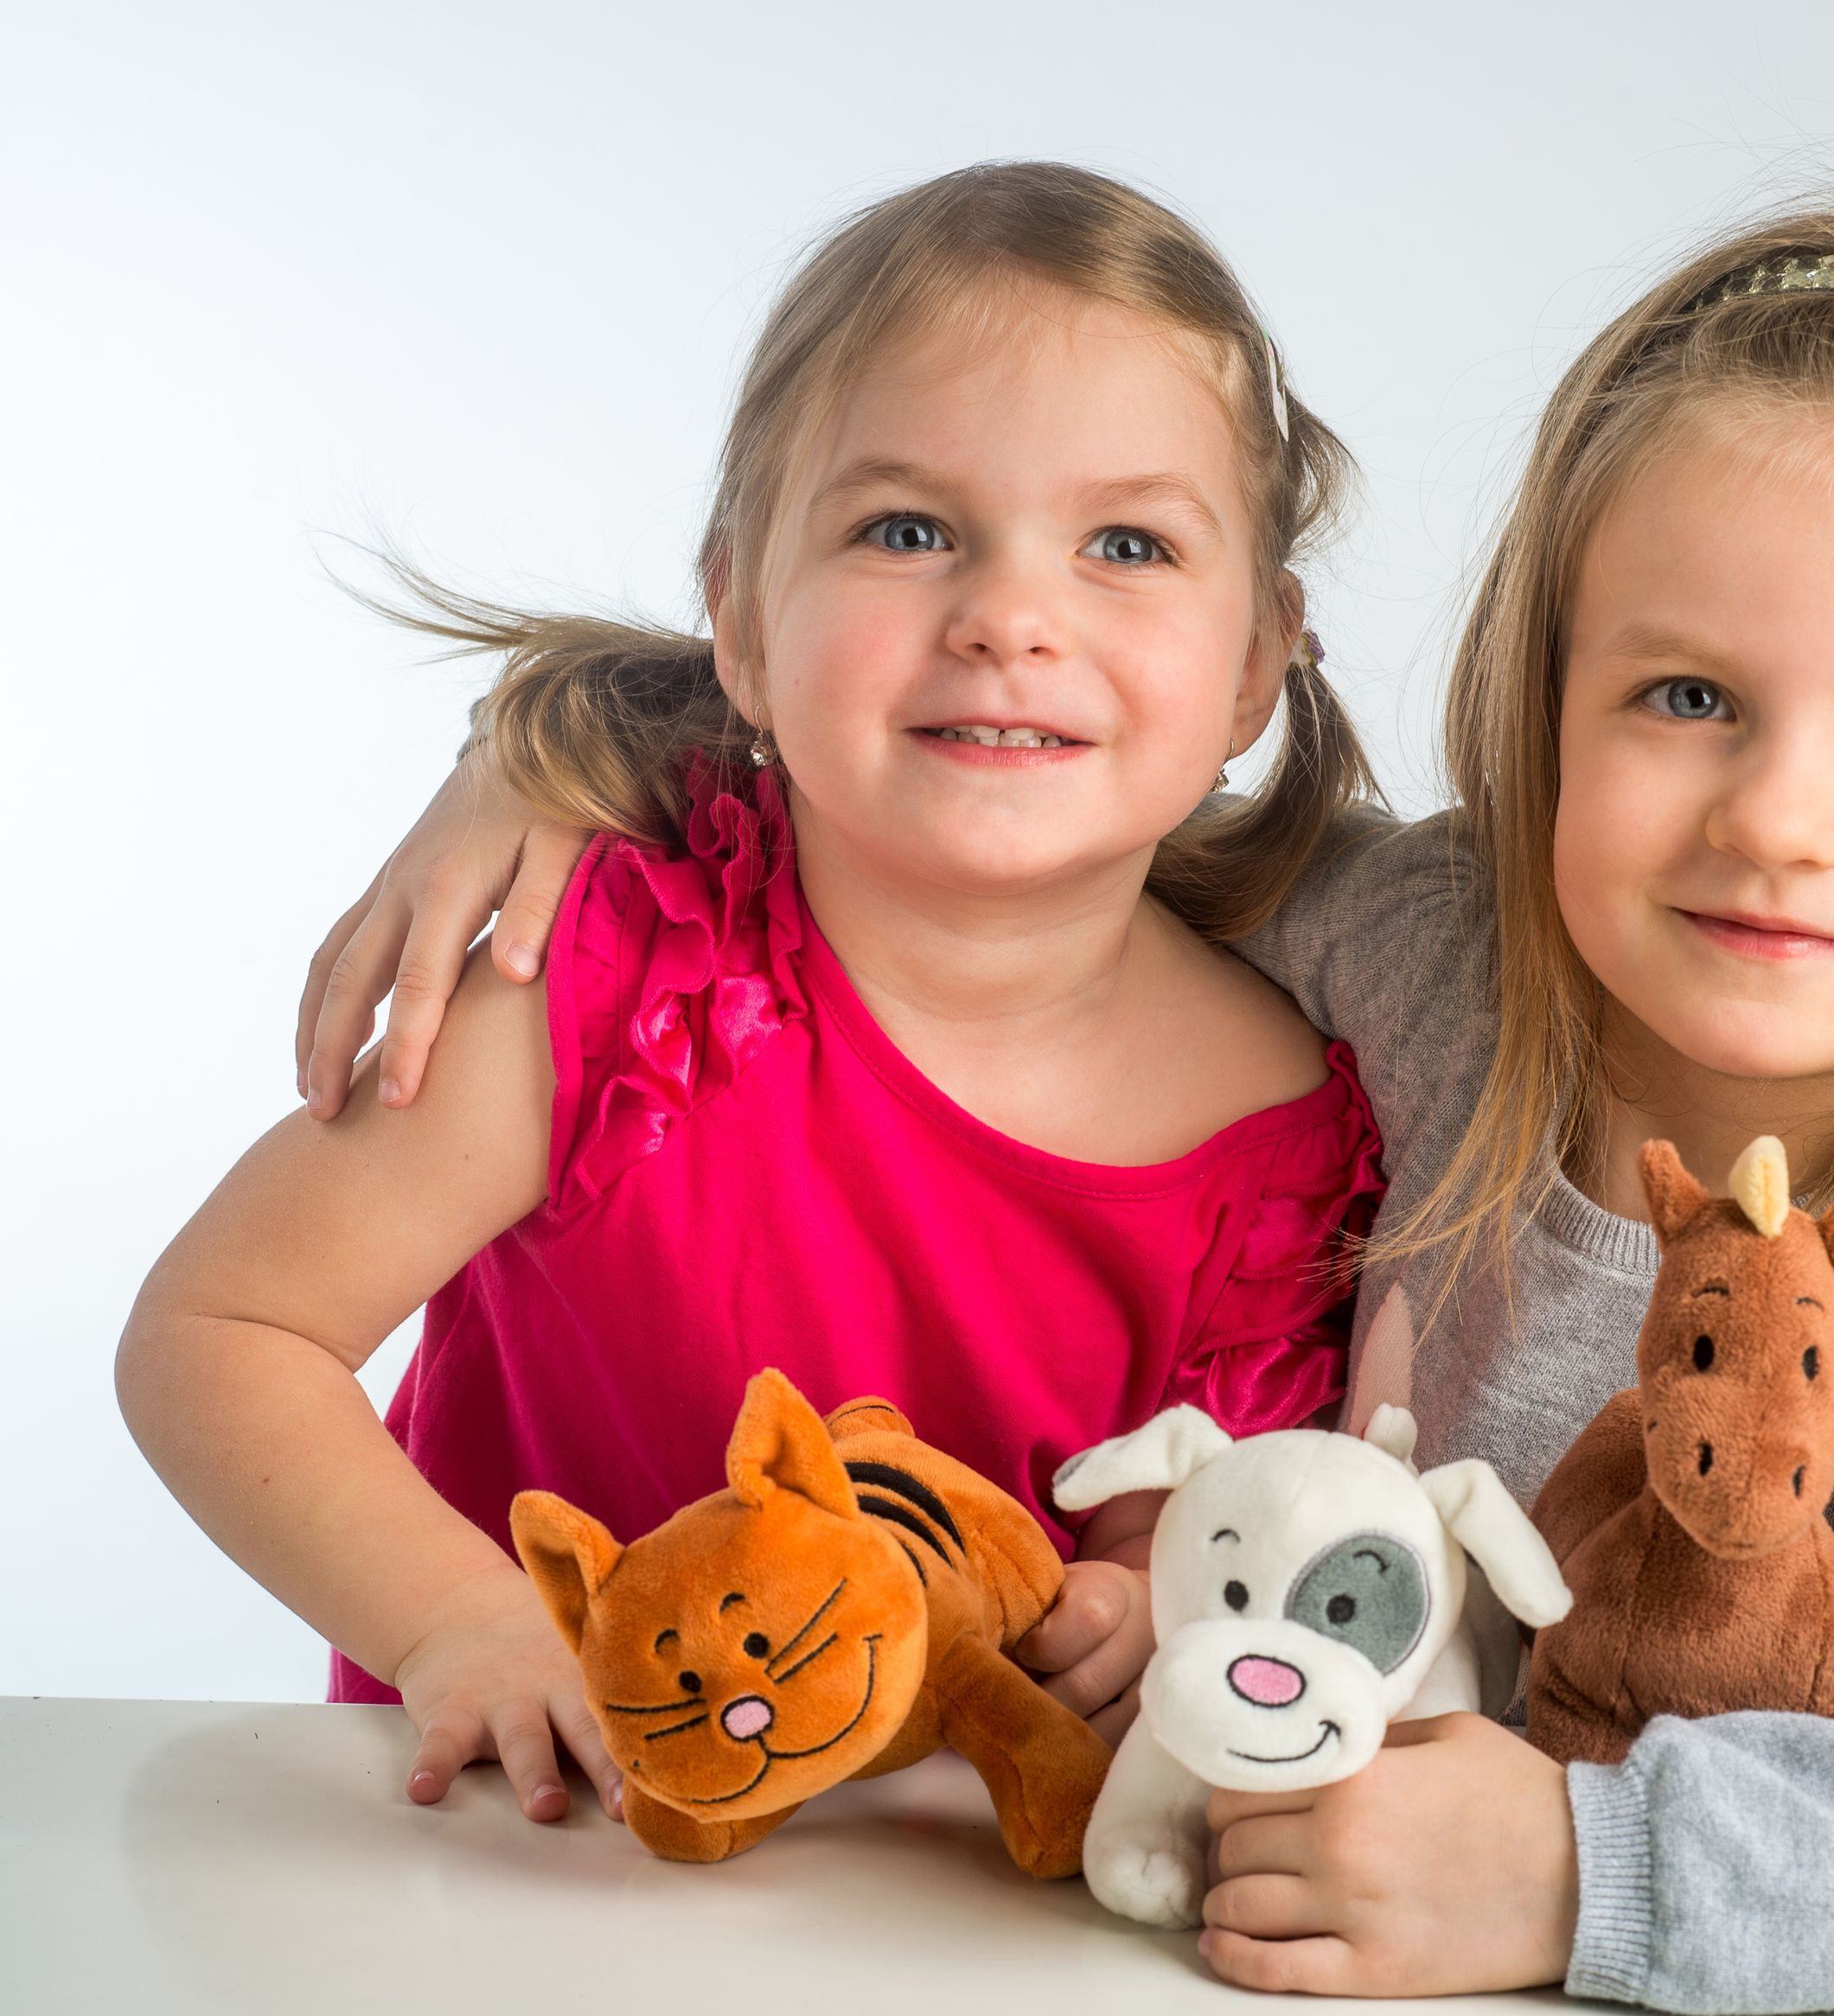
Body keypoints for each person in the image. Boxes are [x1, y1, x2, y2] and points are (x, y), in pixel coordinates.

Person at [291, 198, 1834, 2012]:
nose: (1780, 816)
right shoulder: (1431, 956)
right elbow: (1017, 781)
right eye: (1688, 695)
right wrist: (570, 749)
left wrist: (1593, 1869)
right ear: (1546, 708)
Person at [117, 162, 1385, 1834]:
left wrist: (1139, 1611)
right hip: (523, 1839)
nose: (1010, 618)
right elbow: (222, 1335)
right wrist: (457, 1621)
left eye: (1127, 544)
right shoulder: (607, 973)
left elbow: (1181, 1530)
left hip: (941, 1902)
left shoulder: (1284, 1144)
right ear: (737, 617)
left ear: (1254, 664)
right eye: (906, 531)